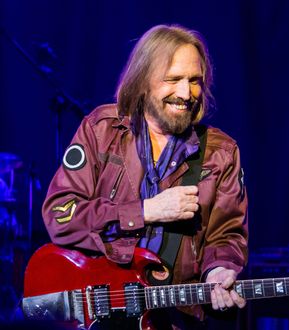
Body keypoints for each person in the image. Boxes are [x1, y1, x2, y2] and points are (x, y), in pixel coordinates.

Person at [42, 24, 248, 329]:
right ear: (143, 81)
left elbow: (227, 235)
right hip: (98, 317)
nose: (185, 93)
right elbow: (60, 216)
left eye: (194, 81)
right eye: (173, 79)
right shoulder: (101, 130)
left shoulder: (221, 152)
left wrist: (218, 270)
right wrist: (146, 210)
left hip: (174, 318)